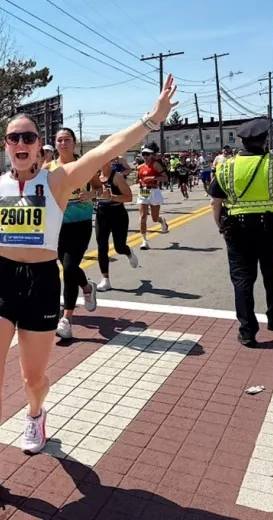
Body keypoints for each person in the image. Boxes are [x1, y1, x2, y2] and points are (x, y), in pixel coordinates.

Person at [0, 74, 177, 454]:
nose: (21, 143)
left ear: (38, 147)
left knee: (32, 379)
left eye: (28, 137)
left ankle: (35, 415)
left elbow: (107, 148)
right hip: (2, 280)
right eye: (14, 137)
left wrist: (152, 119)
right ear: (6, 145)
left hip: (42, 282)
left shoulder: (58, 181)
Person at [208, 116, 273, 347]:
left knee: (242, 280)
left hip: (237, 230)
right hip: (271, 228)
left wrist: (220, 226)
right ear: (265, 140)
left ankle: (248, 331)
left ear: (242, 142)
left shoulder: (226, 166)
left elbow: (216, 202)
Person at [47, 128, 102, 339]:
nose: (63, 143)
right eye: (59, 140)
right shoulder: (48, 169)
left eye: (67, 139)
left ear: (74, 142)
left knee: (69, 268)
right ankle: (87, 287)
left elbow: (101, 189)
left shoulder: (85, 167)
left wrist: (92, 194)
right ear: (55, 144)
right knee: (66, 266)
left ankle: (67, 320)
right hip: (57, 226)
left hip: (80, 224)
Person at [94, 158, 139, 291]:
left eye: (107, 160)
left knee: (119, 247)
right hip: (101, 214)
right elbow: (93, 194)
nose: (104, 163)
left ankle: (128, 252)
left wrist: (111, 197)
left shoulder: (117, 177)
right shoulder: (95, 177)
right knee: (102, 246)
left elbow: (128, 197)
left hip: (118, 213)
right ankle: (105, 279)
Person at [136, 147, 169, 250]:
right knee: (142, 217)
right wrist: (140, 182)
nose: (145, 156)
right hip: (143, 192)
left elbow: (165, 178)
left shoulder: (155, 165)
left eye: (147, 154)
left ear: (151, 155)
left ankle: (162, 221)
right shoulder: (139, 167)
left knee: (155, 218)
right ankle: (144, 241)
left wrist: (153, 178)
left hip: (154, 191)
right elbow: (139, 179)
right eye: (143, 154)